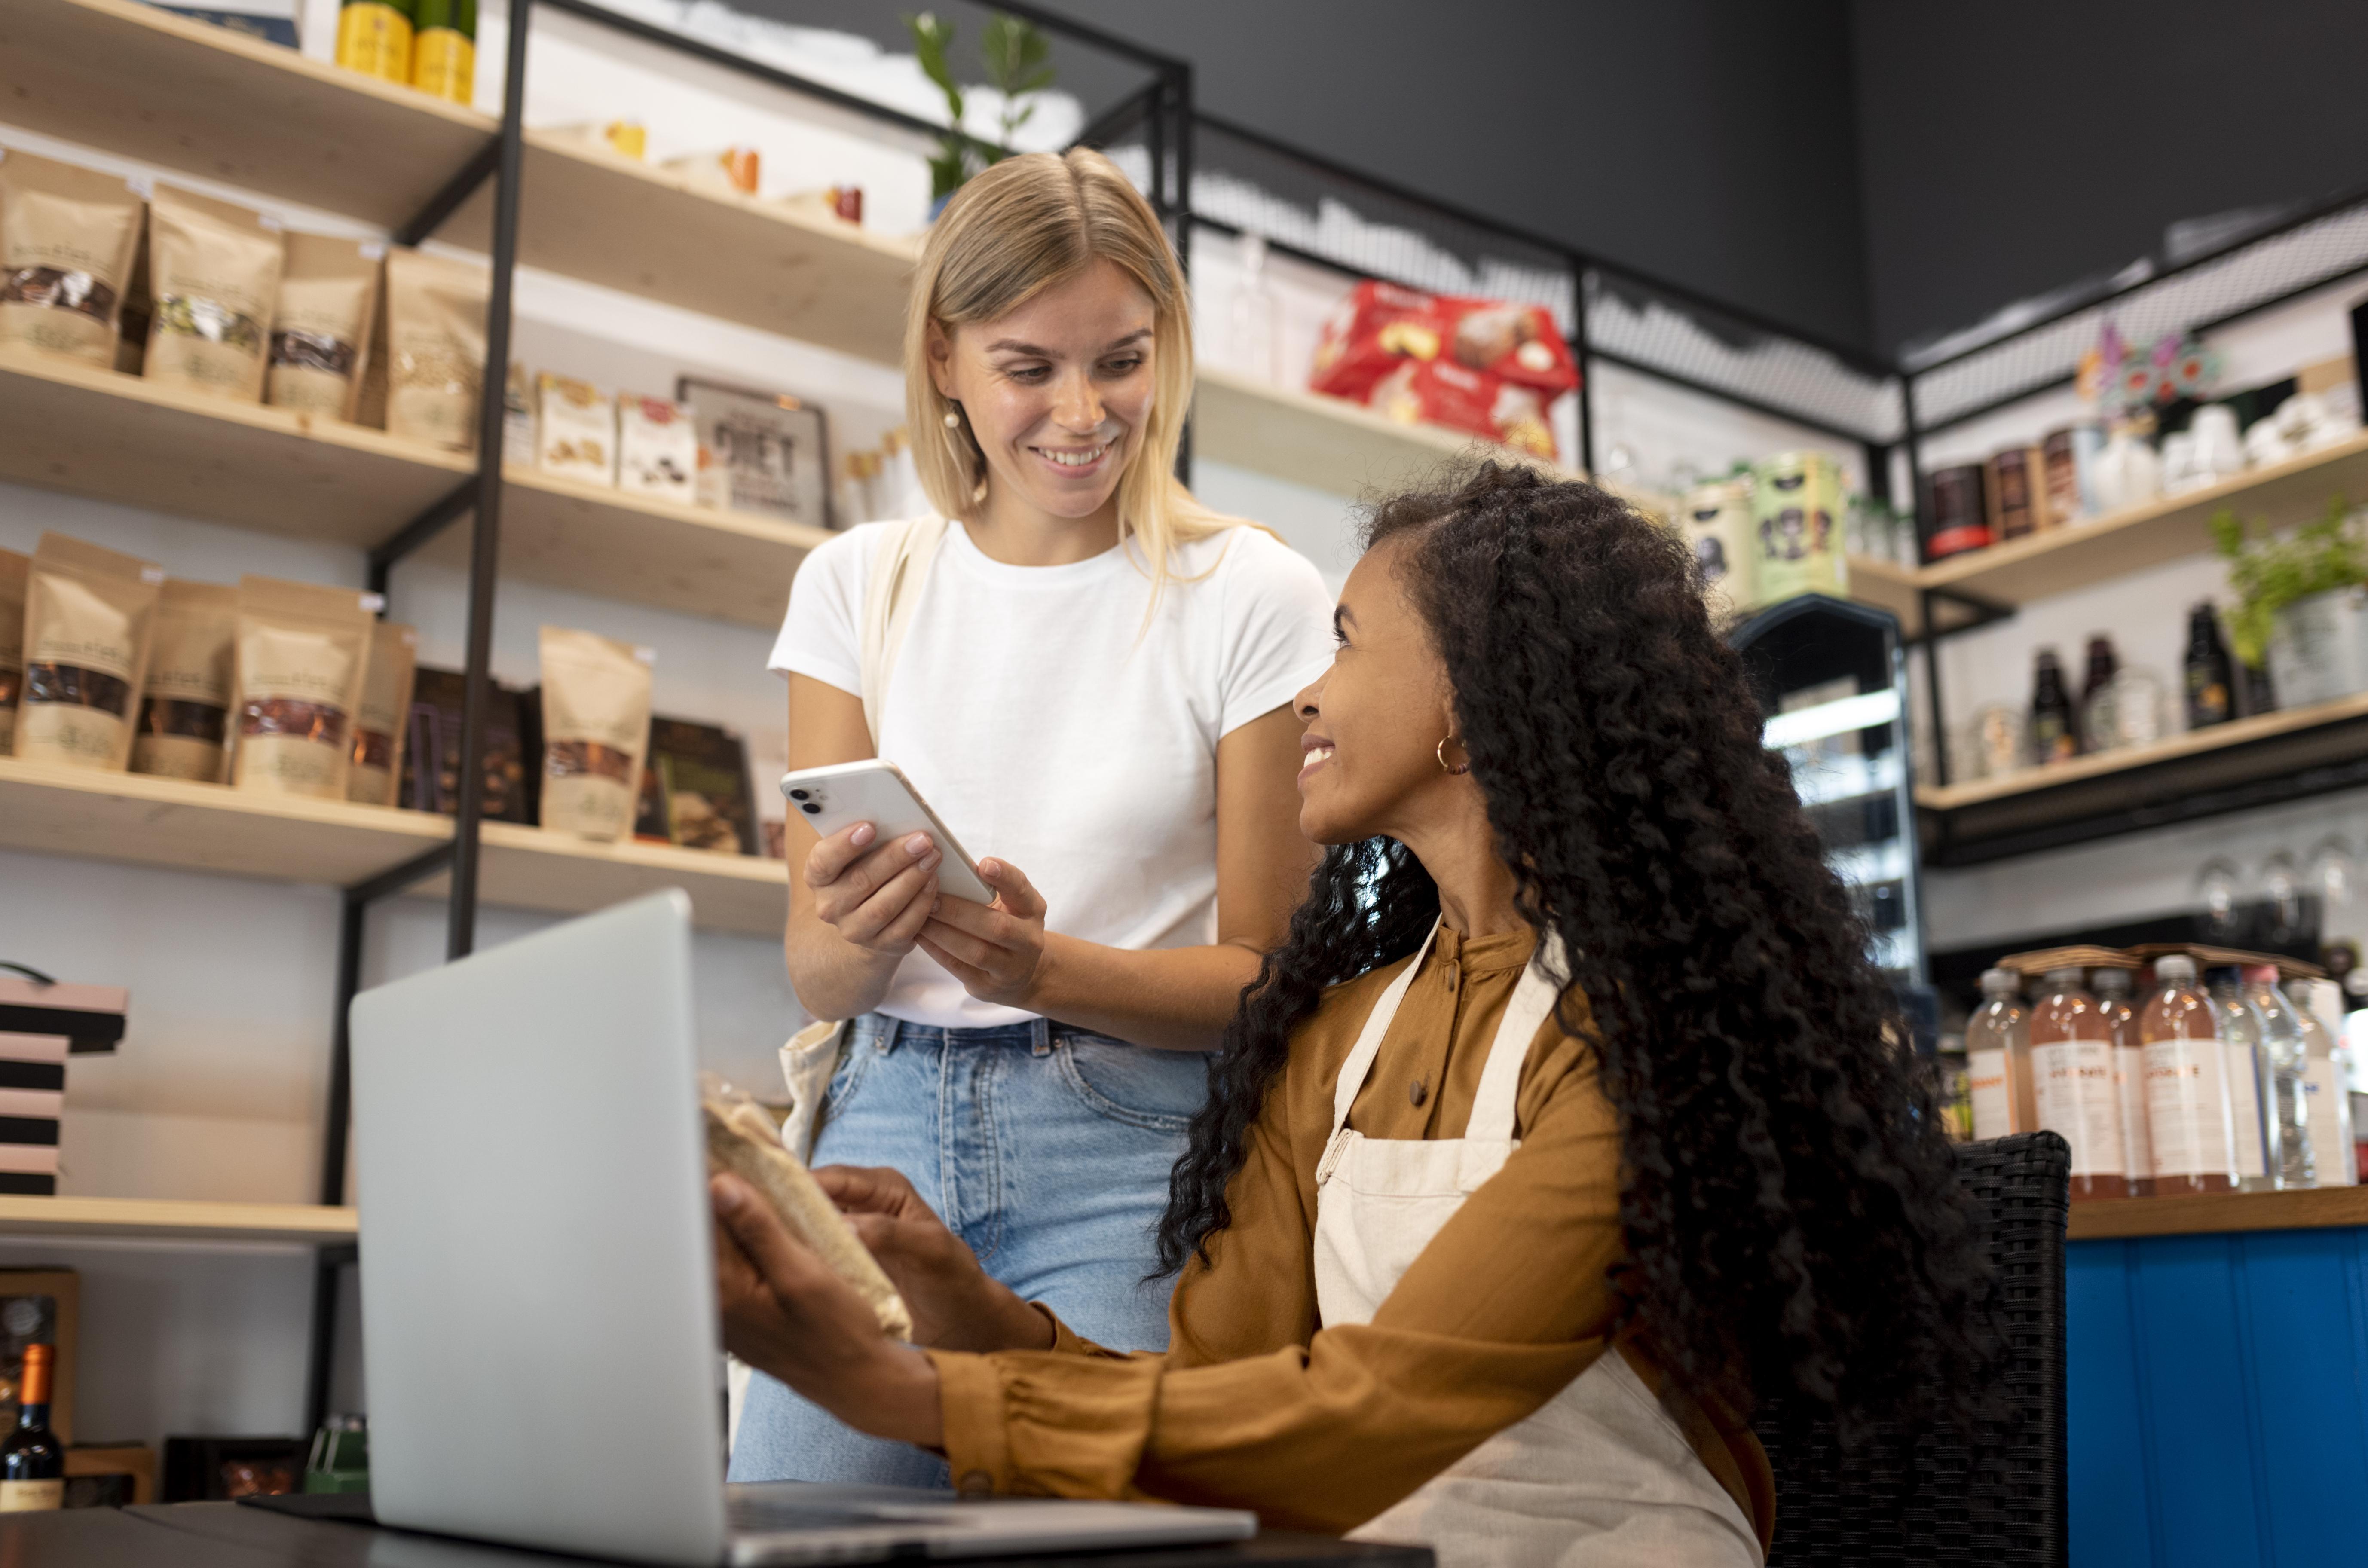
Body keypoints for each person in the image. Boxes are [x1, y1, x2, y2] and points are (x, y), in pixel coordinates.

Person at [714, 462, 1992, 1562]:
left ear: (1470, 701)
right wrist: (967, 1310)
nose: (1306, 694)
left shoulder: (1637, 1043)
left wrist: (905, 1389)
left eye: (1344, 641)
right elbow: (1218, 1403)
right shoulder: (1337, 1034)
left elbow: (1378, 1408)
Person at [739, 147, 1334, 1486]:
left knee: (1101, 1533)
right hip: (880, 1124)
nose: (1083, 412)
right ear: (945, 358)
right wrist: (870, 932)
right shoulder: (857, 586)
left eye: (1120, 360)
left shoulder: (1251, 593)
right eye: (1030, 367)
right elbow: (814, 969)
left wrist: (1043, 968)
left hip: (1134, 1145)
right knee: (793, 1530)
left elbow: (1268, 984)